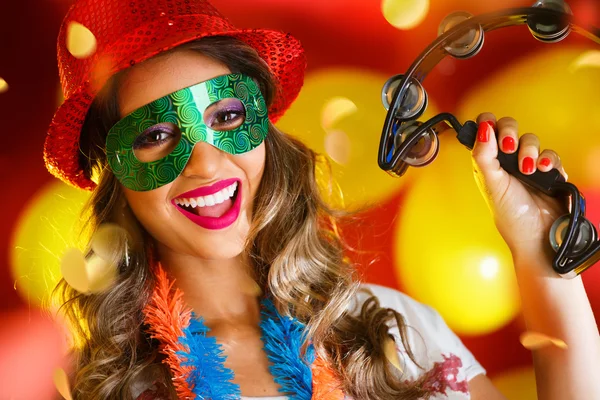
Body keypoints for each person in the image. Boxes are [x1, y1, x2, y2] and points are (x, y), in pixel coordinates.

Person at [46, 0, 600, 399]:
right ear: (112, 175)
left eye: (227, 117)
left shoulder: (388, 328)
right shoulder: (104, 386)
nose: (207, 161)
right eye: (154, 136)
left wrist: (538, 252)